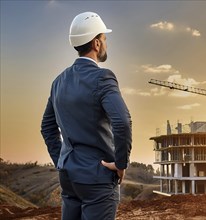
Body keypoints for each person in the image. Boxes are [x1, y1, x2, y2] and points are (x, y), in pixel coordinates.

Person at [41, 12, 132, 220]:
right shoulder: (103, 78)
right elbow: (122, 122)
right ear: (97, 43)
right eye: (105, 39)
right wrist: (120, 164)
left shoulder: (59, 81)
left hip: (68, 177)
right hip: (97, 179)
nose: (106, 44)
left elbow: (47, 127)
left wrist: (62, 161)